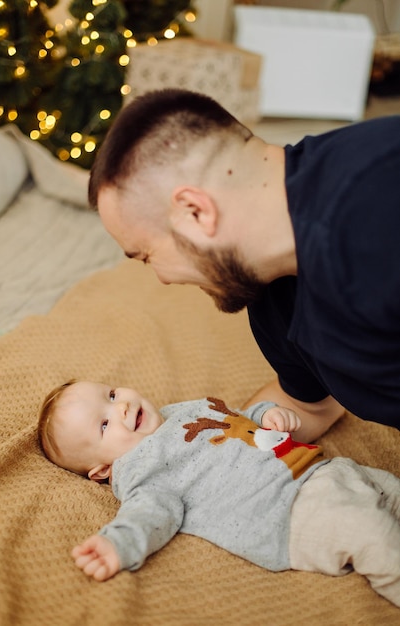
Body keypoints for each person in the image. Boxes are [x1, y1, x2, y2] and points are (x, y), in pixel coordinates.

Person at [87, 88, 400, 440]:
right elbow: (309, 406)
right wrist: (213, 454)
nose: (161, 278)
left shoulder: (381, 194)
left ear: (195, 211)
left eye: (146, 255)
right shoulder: (269, 299)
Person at [38, 379, 400, 606]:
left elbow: (238, 419)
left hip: (321, 470)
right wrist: (117, 543)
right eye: (104, 423)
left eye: (112, 394)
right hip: (291, 512)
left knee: (391, 491)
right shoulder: (140, 470)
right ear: (102, 470)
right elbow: (150, 513)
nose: (121, 407)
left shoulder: (178, 412)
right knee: (375, 536)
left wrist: (270, 414)